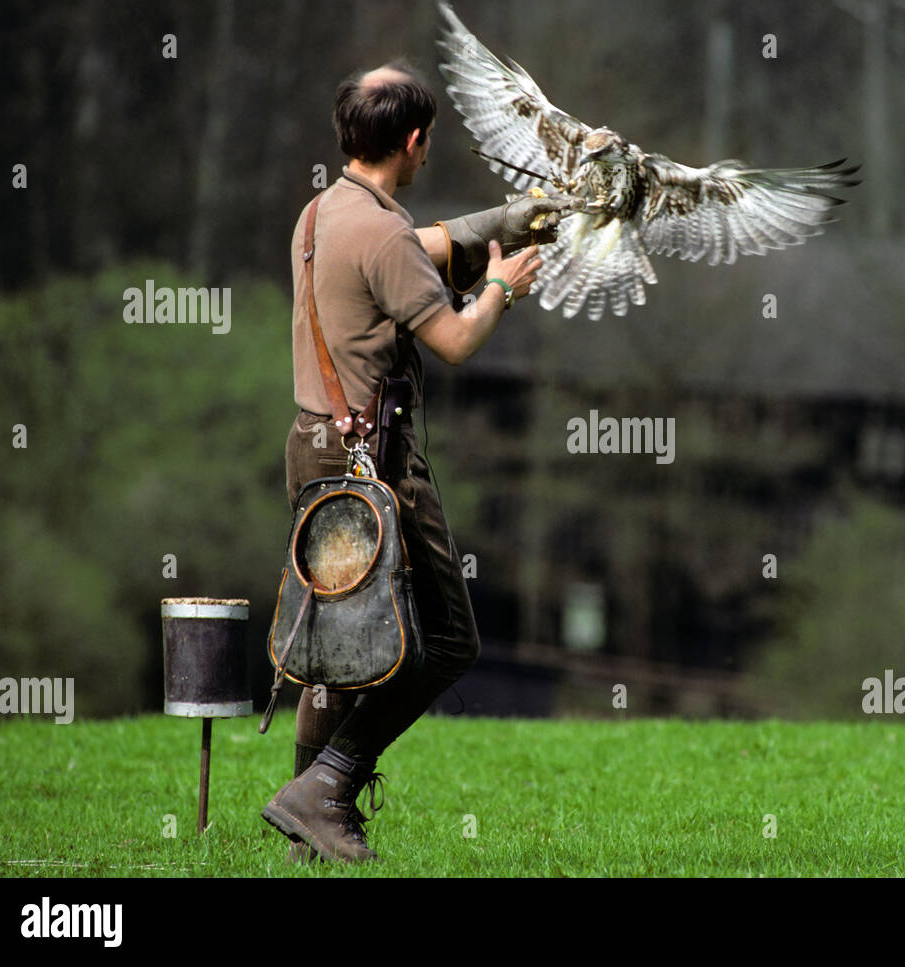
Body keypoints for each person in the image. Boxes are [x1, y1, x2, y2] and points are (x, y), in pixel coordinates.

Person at [261, 61, 579, 862]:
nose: (428, 154)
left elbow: (424, 245)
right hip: (378, 467)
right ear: (412, 142)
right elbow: (458, 340)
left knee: (333, 652)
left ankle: (307, 830)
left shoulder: (320, 213)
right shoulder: (384, 235)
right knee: (446, 642)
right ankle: (326, 787)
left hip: (314, 450)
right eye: (427, 141)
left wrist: (510, 216)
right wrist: (502, 283)